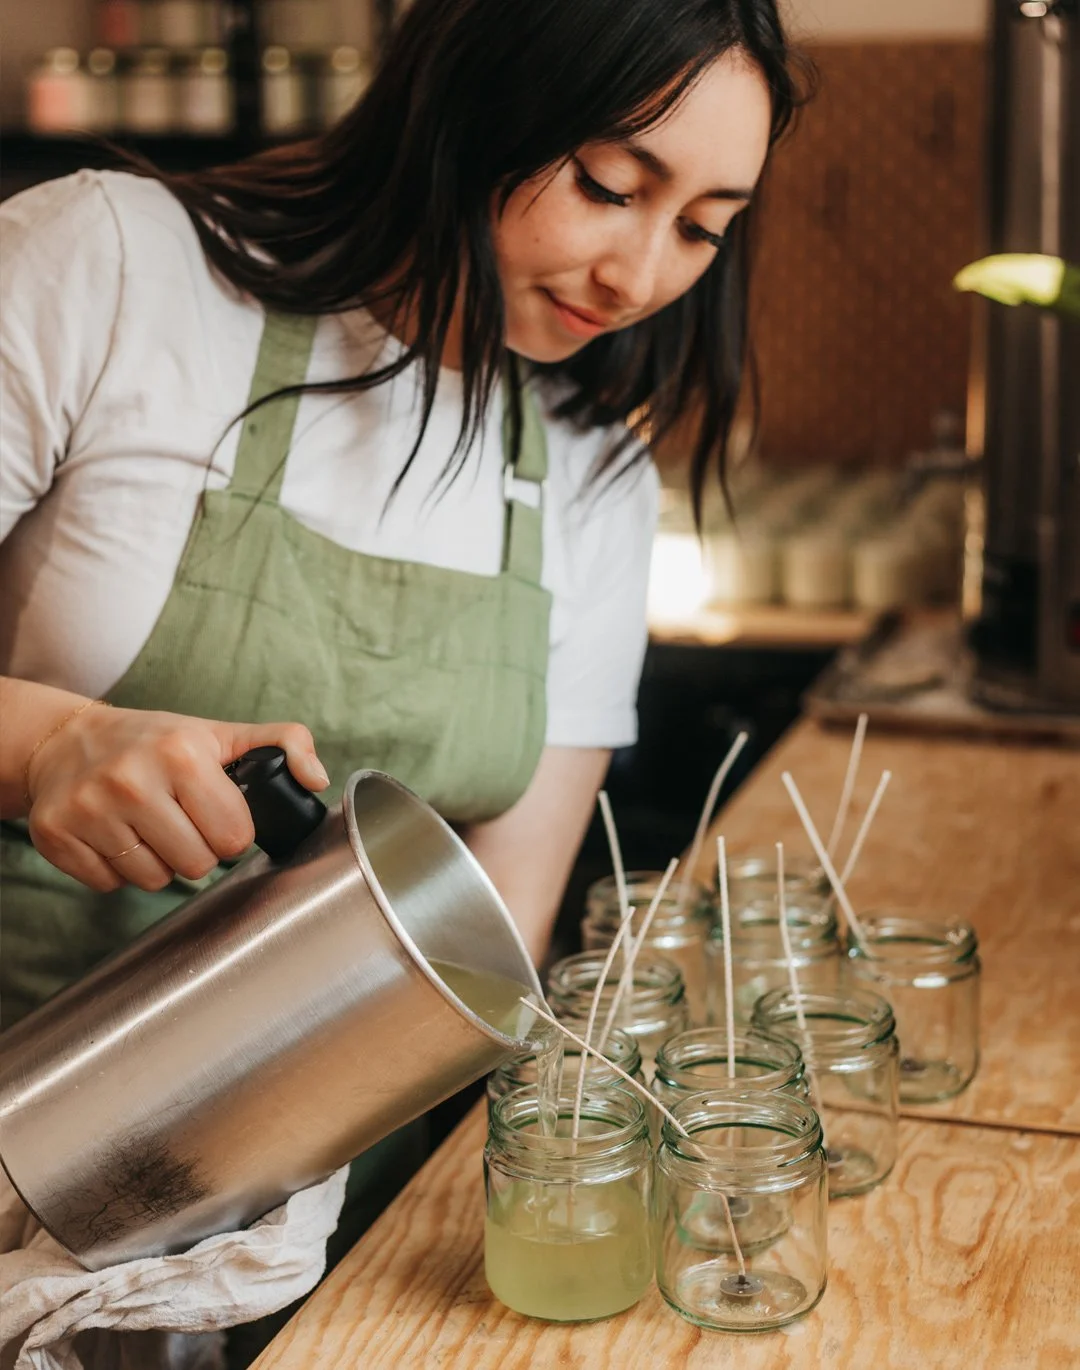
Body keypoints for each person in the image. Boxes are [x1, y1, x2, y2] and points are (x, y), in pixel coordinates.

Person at [0, 0, 803, 1354]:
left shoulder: (589, 475)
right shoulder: (113, 268)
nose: (640, 272)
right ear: (466, 103)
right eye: (611, 185)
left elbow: (501, 924)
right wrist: (47, 744)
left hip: (319, 1223)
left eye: (703, 225)